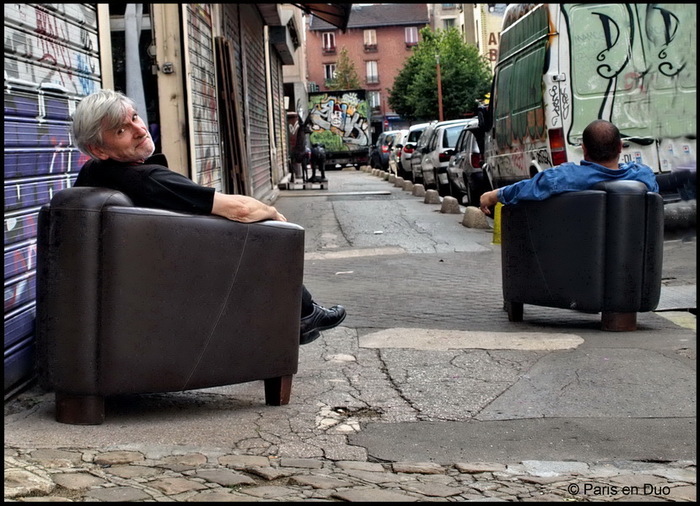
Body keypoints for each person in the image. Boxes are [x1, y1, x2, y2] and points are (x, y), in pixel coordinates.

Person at [71, 89, 345, 345]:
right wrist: (273, 213)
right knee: (264, 230)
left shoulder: (91, 174)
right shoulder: (147, 179)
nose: (139, 130)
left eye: (134, 118)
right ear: (99, 150)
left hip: (137, 284)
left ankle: (302, 314)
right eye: (121, 130)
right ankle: (304, 314)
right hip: (176, 287)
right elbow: (240, 209)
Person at [479, 119, 659, 215]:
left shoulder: (564, 177)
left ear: (584, 148)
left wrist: (493, 195)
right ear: (620, 146)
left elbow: (526, 189)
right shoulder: (644, 177)